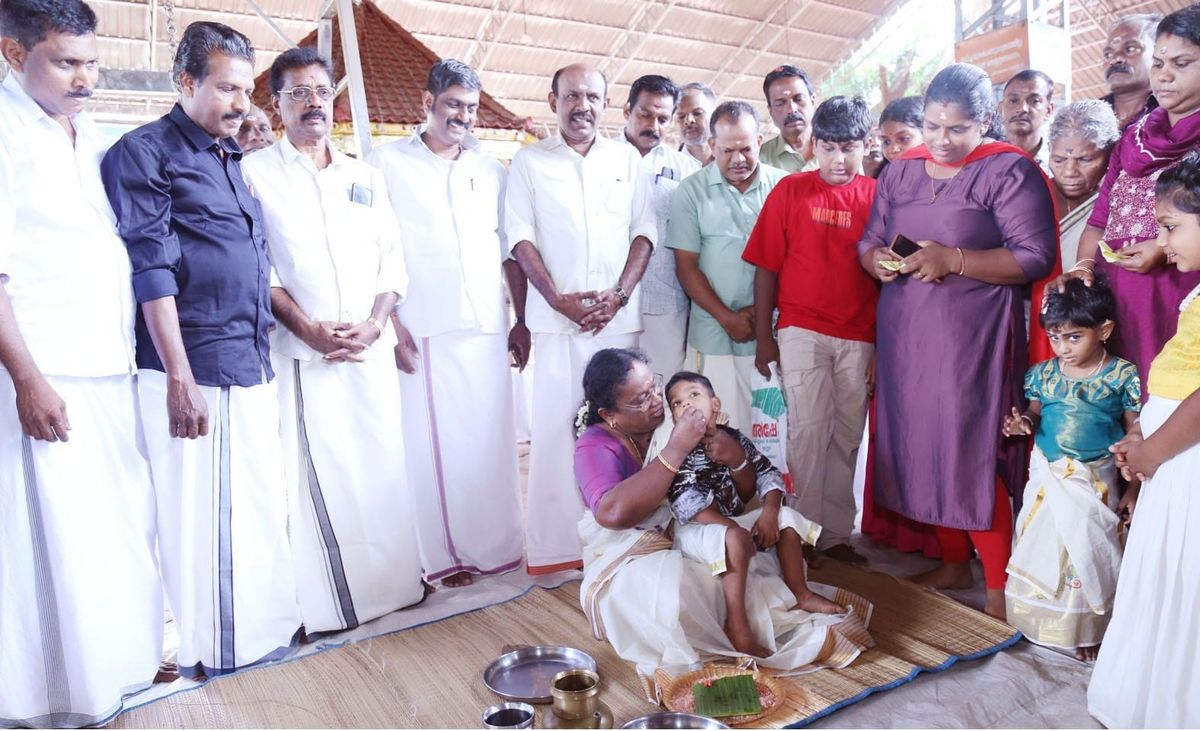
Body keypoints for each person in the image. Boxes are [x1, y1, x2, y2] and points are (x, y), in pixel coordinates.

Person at [101, 21, 301, 678]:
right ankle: (217, 655)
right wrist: (180, 378)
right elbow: (151, 270)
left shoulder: (229, 155)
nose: (243, 102)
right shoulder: (145, 153)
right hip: (196, 369)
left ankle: (257, 636)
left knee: (254, 509)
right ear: (184, 81)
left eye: (248, 88)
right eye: (226, 87)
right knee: (203, 522)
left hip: (248, 360)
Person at [0, 0, 162, 724]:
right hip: (45, 368)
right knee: (48, 538)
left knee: (107, 526)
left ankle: (116, 664)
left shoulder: (87, 132)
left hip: (102, 358)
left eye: (91, 62)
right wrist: (27, 378)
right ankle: (52, 694)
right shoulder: (5, 132)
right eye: (66, 61)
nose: (85, 77)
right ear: (12, 54)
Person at [857, 63, 1057, 620]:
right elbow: (869, 239)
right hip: (906, 335)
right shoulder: (900, 171)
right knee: (919, 445)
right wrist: (878, 261)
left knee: (967, 451)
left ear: (984, 122)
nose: (941, 141)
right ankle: (952, 561)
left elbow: (1034, 257)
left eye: (957, 129)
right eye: (932, 126)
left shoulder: (1006, 172)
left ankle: (997, 586)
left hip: (971, 337)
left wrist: (955, 260)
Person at [241, 47, 425, 632]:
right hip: (304, 352)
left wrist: (375, 324)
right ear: (277, 104)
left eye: (322, 91)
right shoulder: (254, 173)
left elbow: (392, 263)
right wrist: (309, 330)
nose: (314, 102)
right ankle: (330, 606)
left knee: (381, 467)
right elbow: (258, 269)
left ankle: (397, 586)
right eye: (299, 92)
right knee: (321, 475)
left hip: (367, 349)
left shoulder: (362, 176)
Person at [573, 348, 871, 677]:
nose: (657, 400)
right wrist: (677, 448)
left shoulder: (686, 426)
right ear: (609, 414)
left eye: (655, 388)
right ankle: (736, 627)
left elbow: (743, 495)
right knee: (671, 597)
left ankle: (794, 596)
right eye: (641, 399)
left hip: (708, 526)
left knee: (756, 541)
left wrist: (738, 460)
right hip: (636, 547)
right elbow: (611, 513)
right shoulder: (598, 444)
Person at [368, 59, 526, 588]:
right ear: (427, 104)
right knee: (430, 448)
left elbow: (508, 251)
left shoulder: (491, 169)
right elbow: (376, 250)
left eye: (471, 108)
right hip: (424, 323)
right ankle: (443, 558)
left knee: (490, 442)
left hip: (485, 322)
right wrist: (392, 323)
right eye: (454, 104)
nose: (463, 116)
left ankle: (497, 549)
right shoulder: (385, 164)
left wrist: (517, 318)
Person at [506, 63, 656, 574]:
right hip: (557, 325)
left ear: (605, 104)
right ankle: (557, 549)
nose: (582, 106)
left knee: (625, 429)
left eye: (592, 96)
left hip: (617, 322)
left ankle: (623, 540)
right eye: (571, 96)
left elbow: (644, 232)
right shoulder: (528, 163)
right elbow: (520, 239)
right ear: (553, 101)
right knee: (555, 431)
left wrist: (618, 294)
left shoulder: (626, 161)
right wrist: (555, 300)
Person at [1087, 150, 1200, 728]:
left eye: (1171, 227)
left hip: (1188, 464)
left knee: (1185, 581)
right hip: (1173, 458)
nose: (1161, 241)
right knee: (1165, 576)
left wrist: (1153, 450)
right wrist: (1142, 436)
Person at [744, 96, 878, 565]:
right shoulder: (790, 192)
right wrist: (765, 335)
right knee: (807, 432)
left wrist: (881, 347)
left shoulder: (879, 197)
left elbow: (891, 278)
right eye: (828, 148)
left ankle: (837, 536)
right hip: (801, 329)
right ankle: (799, 536)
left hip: (860, 336)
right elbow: (765, 268)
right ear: (813, 146)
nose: (838, 160)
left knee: (846, 436)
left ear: (867, 144)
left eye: (849, 148)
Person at [1001, 277, 1140, 662]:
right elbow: (1033, 414)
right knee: (1041, 547)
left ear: (1104, 330)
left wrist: (1132, 491)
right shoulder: (1043, 374)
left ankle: (1087, 629)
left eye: (1074, 338)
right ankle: (1037, 622)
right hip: (1048, 478)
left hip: (1095, 482)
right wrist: (1022, 425)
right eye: (1055, 338)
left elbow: (1135, 434)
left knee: (1088, 554)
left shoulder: (1121, 376)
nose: (1063, 349)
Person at [1061, 5, 1200, 388]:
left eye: (1182, 63)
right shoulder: (1133, 137)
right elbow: (1099, 220)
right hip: (1115, 296)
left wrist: (1160, 245)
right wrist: (1083, 270)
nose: (1165, 75)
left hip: (1177, 291)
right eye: (1158, 63)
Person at [664, 371, 841, 658]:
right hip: (697, 529)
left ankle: (801, 593)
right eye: (676, 402)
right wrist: (733, 530)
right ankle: (737, 625)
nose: (685, 404)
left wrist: (769, 511)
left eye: (693, 394)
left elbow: (767, 472)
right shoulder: (678, 450)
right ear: (673, 418)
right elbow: (686, 502)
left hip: (731, 522)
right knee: (733, 537)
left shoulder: (735, 439)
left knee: (785, 516)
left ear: (715, 403)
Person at [667, 101, 786, 430]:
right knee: (719, 430)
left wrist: (762, 316)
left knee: (772, 431)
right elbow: (686, 267)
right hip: (714, 333)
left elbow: (794, 262)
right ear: (711, 146)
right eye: (727, 150)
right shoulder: (691, 192)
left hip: (773, 332)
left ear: (760, 142)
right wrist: (728, 318)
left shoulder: (784, 188)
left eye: (746, 149)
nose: (738, 159)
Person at [859, 94, 938, 558]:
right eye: (885, 142)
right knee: (897, 432)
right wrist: (876, 261)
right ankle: (898, 532)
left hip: (942, 323)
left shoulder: (950, 177)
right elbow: (869, 248)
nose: (893, 151)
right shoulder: (884, 181)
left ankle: (942, 546)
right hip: (893, 320)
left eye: (903, 139)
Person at [616, 74, 699, 377]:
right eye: (645, 114)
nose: (653, 125)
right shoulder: (601, 160)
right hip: (611, 300)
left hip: (666, 302)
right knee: (613, 392)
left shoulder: (687, 170)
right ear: (627, 111)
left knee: (664, 389)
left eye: (663, 118)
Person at [1047, 100, 1120, 267]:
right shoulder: (1031, 195)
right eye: (1059, 160)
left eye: (1085, 160)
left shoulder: (1123, 201)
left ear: (1111, 153)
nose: (1069, 172)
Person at [1101, 13, 1162, 131]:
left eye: (1130, 49)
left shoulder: (1180, 117)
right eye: (1108, 54)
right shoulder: (1083, 119)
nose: (1115, 59)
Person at [759, 64, 817, 173]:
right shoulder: (760, 161)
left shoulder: (840, 149)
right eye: (780, 103)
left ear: (812, 100)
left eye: (798, 99)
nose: (792, 109)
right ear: (770, 110)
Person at [1001, 69, 1056, 174]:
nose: (1022, 108)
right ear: (1001, 108)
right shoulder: (982, 161)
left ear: (1048, 110)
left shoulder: (1059, 165)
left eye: (1034, 101)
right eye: (1013, 100)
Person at [676, 81, 716, 166]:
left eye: (697, 113)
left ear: (715, 115)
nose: (688, 121)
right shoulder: (665, 166)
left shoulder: (734, 164)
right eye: (681, 117)